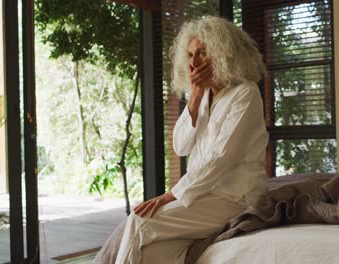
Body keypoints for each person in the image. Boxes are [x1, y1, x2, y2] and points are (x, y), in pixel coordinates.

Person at [114, 16, 268, 264]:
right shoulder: (203, 96)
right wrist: (195, 97)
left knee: (139, 222)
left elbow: (220, 158)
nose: (193, 63)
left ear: (223, 54)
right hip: (204, 196)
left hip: (235, 197)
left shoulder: (245, 94)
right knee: (153, 252)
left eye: (202, 53)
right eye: (189, 55)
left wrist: (169, 196)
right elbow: (180, 145)